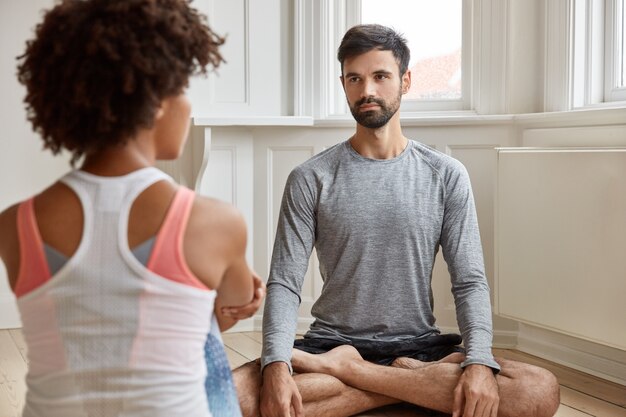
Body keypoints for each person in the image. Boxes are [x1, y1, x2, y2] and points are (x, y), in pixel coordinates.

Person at [233, 24, 560, 417]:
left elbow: (469, 280)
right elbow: (284, 284)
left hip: (420, 349)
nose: (367, 90)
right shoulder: (311, 177)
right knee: (234, 396)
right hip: (330, 344)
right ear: (344, 84)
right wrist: (276, 365)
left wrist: (476, 361)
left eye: (380, 76)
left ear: (405, 80)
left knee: (539, 390)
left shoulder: (445, 175)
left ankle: (352, 375)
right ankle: (410, 387)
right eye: (355, 78)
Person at [0, 1, 264, 416]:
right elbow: (233, 306)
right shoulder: (216, 222)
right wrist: (230, 303)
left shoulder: (15, 225)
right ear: (157, 98)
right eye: (182, 89)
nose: (187, 106)